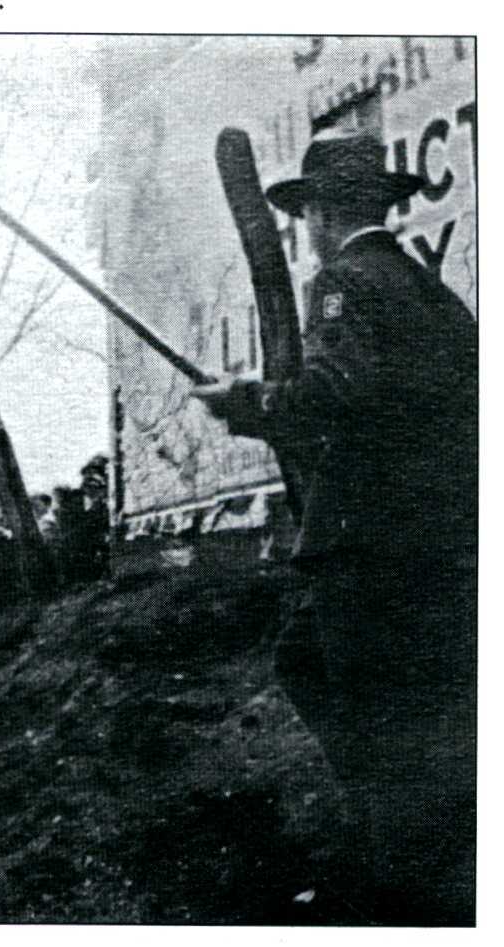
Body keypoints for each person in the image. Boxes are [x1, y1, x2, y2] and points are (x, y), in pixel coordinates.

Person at [192, 129, 477, 924]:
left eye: (305, 216)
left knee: (370, 705)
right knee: (365, 677)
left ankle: (410, 889)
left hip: (371, 548)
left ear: (318, 213)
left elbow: (337, 391)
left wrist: (245, 403)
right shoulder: (434, 294)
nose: (303, 232)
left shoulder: (342, 283)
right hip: (451, 546)